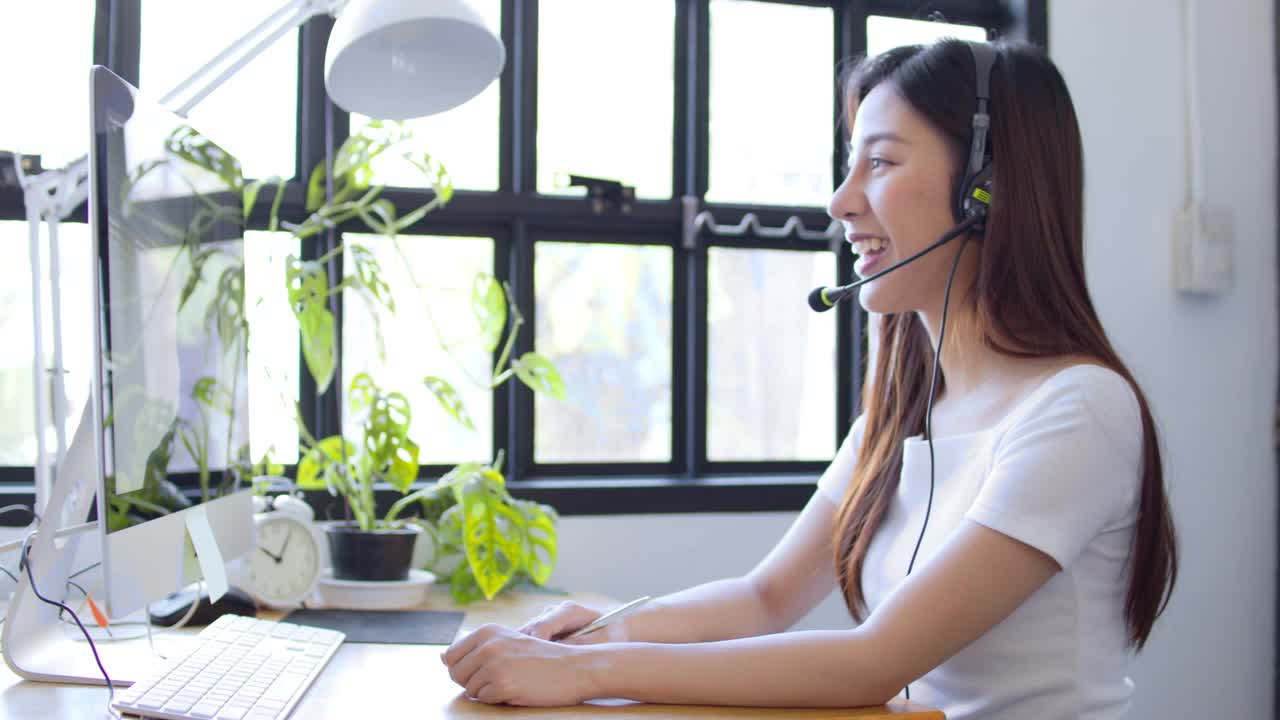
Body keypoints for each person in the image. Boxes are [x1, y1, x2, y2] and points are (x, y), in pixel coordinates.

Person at [441, 37, 1178, 719]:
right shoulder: (902, 415)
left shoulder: (1080, 410)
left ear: (984, 189)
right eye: (849, 165)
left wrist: (586, 676)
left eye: (881, 163)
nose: (840, 201)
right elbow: (763, 598)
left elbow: (873, 664)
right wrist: (595, 636)